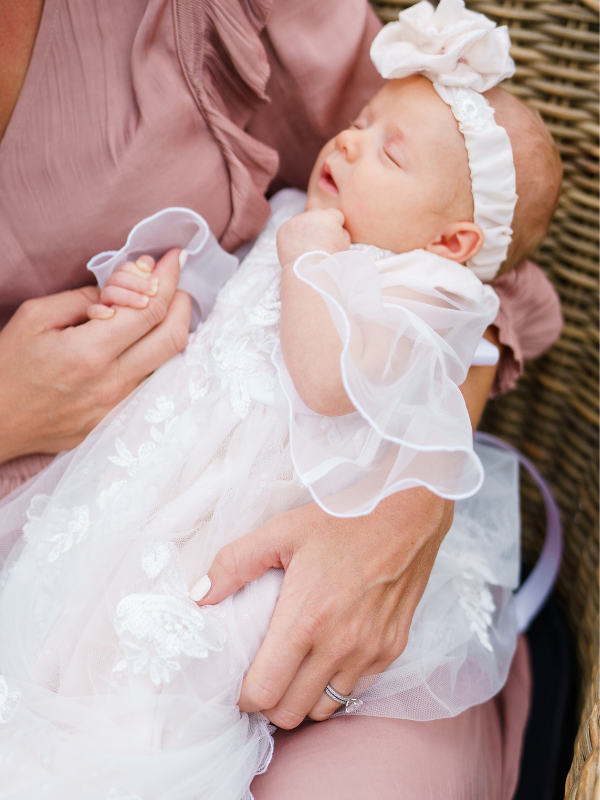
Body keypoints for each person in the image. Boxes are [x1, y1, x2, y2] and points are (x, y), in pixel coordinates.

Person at [0, 1, 563, 797]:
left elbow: (326, 381)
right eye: (361, 124)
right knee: (78, 640)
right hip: (160, 471)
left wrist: (406, 502)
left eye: (385, 151)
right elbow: (231, 309)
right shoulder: (317, 219)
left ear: (452, 246)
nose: (349, 142)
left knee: (193, 661)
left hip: (279, 506)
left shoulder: (422, 289)